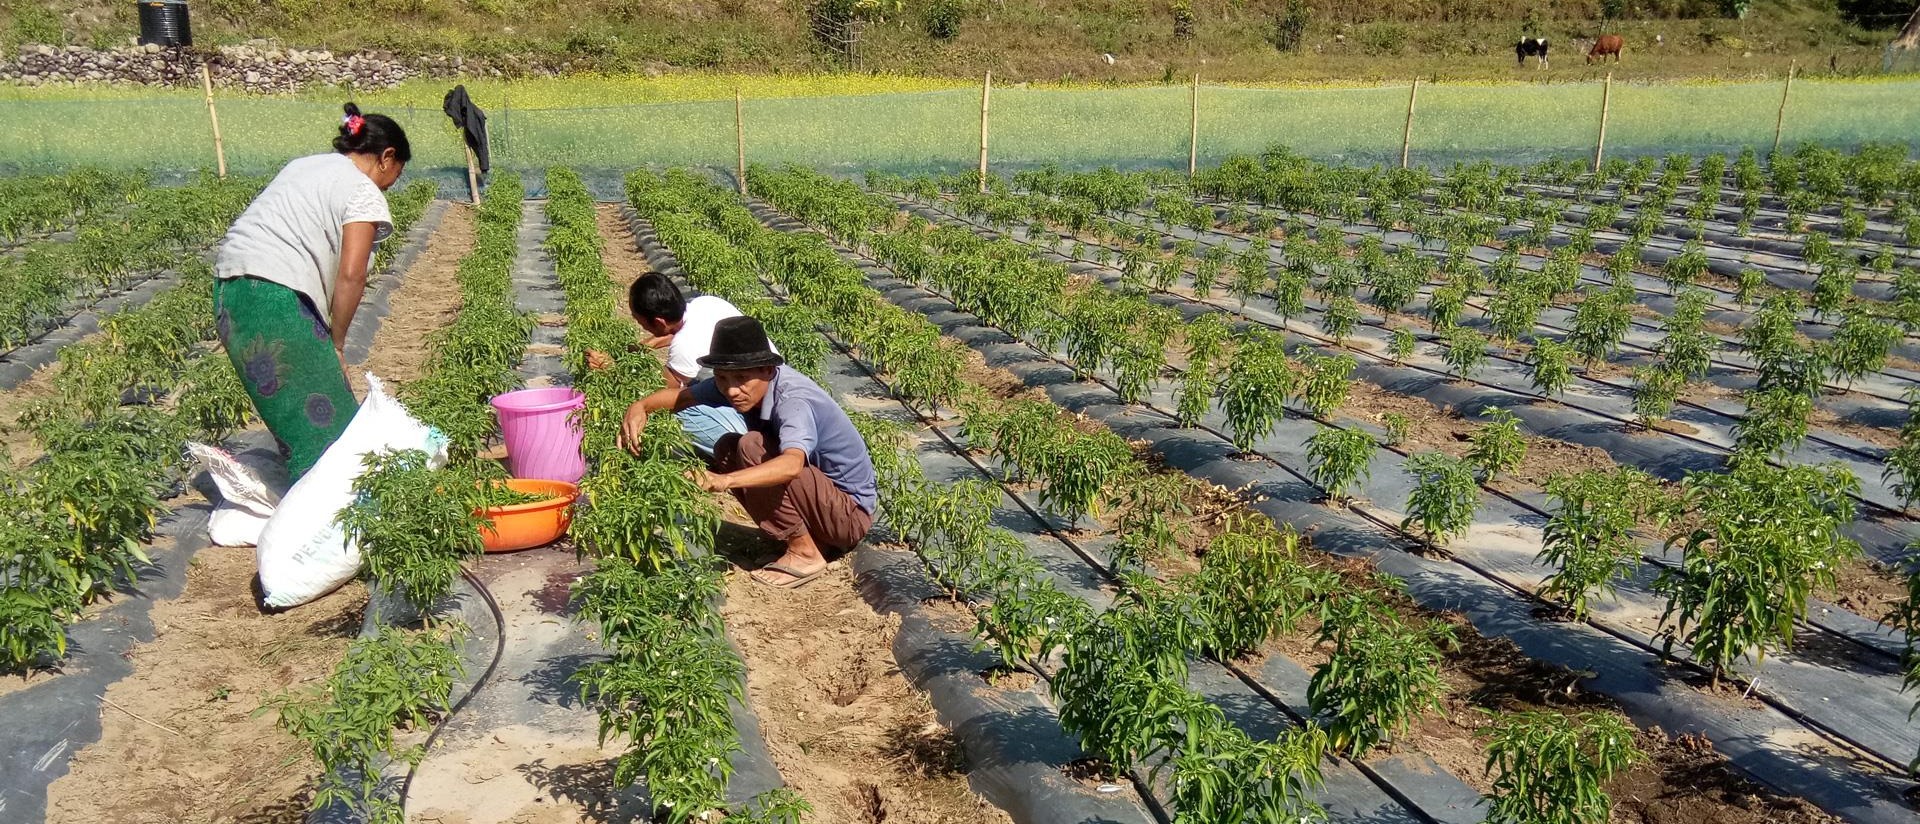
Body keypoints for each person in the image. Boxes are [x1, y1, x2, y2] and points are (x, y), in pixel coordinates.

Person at [212, 103, 409, 480]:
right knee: (330, 438)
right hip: (273, 300)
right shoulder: (362, 190)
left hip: (230, 293)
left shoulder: (304, 165)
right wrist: (335, 343)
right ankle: (334, 524)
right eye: (396, 174)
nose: (391, 184)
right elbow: (351, 275)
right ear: (386, 157)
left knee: (299, 422)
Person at [620, 316, 874, 589]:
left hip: (848, 516)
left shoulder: (793, 400)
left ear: (767, 369)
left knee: (751, 446)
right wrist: (639, 407)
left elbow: (791, 465)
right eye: (722, 378)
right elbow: (679, 398)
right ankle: (808, 539)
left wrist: (724, 480)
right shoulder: (737, 385)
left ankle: (805, 552)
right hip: (821, 504)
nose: (731, 389)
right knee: (728, 448)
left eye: (740, 378)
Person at [588, 273, 777, 456]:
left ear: (659, 322)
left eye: (642, 323)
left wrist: (611, 370)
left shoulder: (684, 345)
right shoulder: (706, 303)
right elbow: (684, 333)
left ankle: (744, 451)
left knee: (671, 418)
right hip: (764, 388)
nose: (642, 327)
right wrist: (646, 345)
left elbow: (656, 391)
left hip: (751, 413)